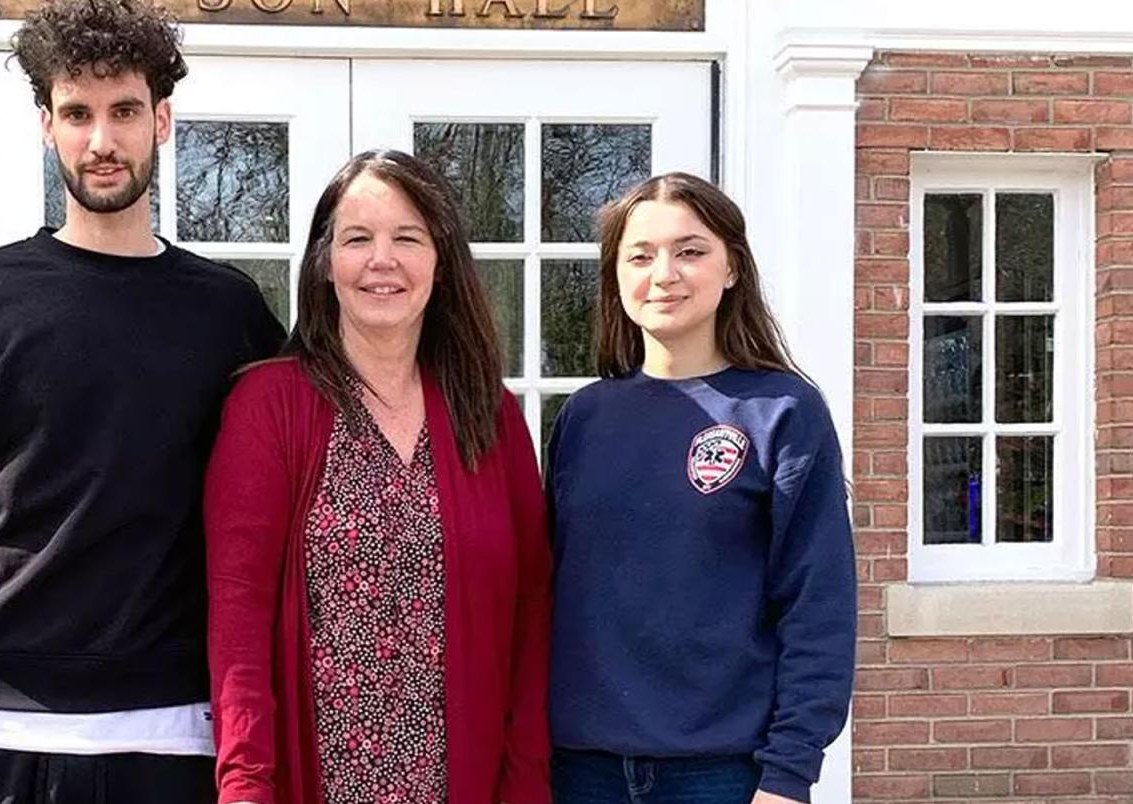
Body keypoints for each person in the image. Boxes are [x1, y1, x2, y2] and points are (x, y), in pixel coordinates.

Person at [0, 0, 285, 804]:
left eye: (124, 110)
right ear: (46, 125)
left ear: (162, 120)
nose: (101, 140)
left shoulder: (227, 311)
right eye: (77, 112)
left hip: (169, 729)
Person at [204, 149, 551, 804]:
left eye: (407, 238)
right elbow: (237, 609)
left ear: (440, 263)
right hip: (315, 782)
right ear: (324, 263)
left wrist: (526, 783)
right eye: (357, 238)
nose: (381, 260)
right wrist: (245, 784)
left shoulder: (491, 415)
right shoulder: (270, 406)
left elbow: (532, 613)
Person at [546, 172, 856, 804]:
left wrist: (789, 774)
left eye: (690, 251)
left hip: (722, 774)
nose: (665, 273)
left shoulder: (782, 411)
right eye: (641, 255)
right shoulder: (584, 417)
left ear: (733, 268)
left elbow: (817, 602)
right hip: (580, 770)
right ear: (617, 278)